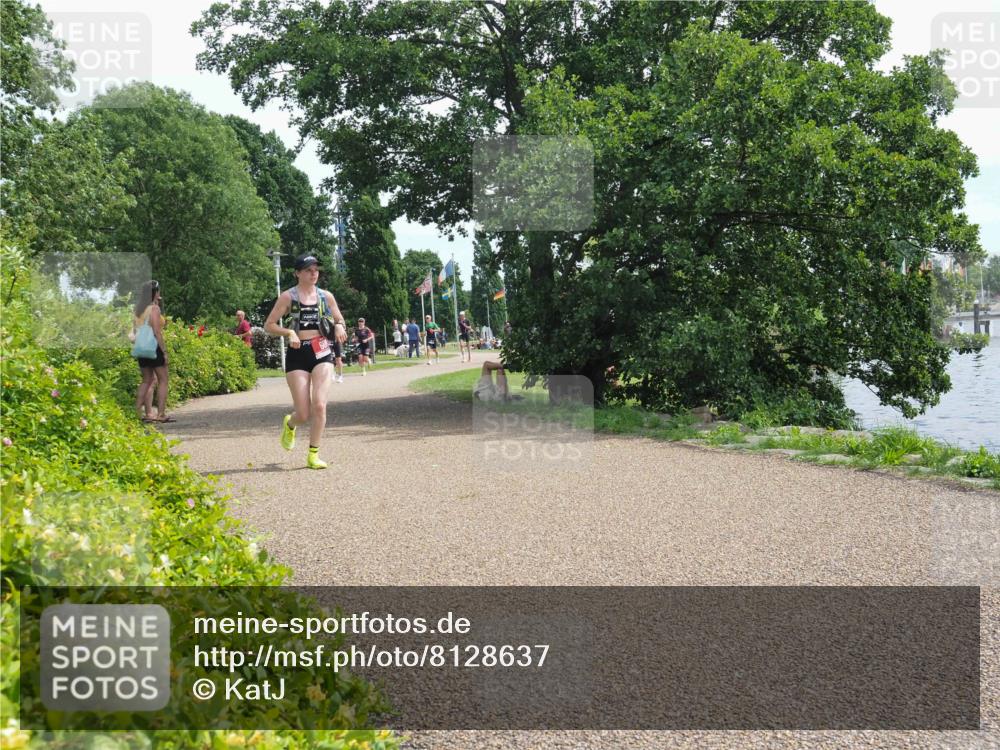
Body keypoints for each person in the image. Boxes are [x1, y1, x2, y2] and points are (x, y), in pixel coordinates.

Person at [264, 254, 347, 469]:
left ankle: (313, 455)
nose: (314, 273)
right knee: (303, 413)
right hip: (297, 353)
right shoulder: (287, 297)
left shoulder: (326, 296)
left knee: (319, 405)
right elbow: (269, 325)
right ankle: (290, 424)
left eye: (316, 270)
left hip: (322, 352)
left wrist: (339, 326)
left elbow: (339, 318)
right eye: (309, 270)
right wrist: (289, 332)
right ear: (297, 273)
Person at [133, 280, 173, 423]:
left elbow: (136, 330)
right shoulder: (154, 309)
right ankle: (161, 414)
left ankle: (136, 413)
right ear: (155, 293)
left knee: (146, 380)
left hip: (141, 347)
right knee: (163, 380)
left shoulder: (138, 309)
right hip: (154, 347)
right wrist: (164, 351)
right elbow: (156, 331)